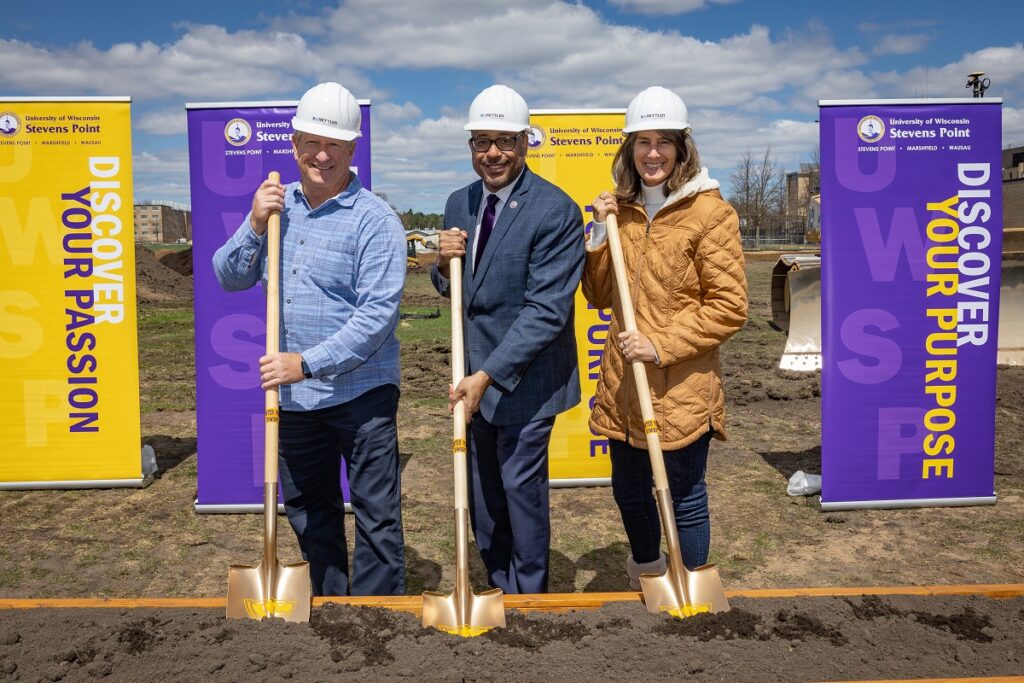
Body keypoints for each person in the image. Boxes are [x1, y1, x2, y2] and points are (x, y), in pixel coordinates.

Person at [213, 82, 406, 597]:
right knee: (310, 513)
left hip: (362, 395)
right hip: (296, 402)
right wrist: (254, 223)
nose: (322, 155)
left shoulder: (376, 221)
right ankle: (332, 604)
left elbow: (377, 317)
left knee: (377, 515)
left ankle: (379, 618)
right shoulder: (277, 210)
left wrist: (307, 363)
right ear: (295, 144)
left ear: (352, 150)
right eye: (312, 143)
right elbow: (227, 277)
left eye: (334, 146)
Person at [582, 86, 748, 589]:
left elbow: (730, 307)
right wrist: (597, 236)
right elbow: (600, 295)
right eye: (642, 142)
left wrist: (660, 345)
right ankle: (649, 573)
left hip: (680, 385)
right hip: (625, 384)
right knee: (629, 492)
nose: (652, 153)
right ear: (629, 149)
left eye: (664, 141)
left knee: (683, 493)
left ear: (682, 147)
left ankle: (690, 579)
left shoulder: (710, 213)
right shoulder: (624, 211)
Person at [431, 84, 585, 594]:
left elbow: (546, 311)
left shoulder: (555, 210)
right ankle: (496, 586)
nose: (492, 153)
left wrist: (488, 374)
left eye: (503, 141)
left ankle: (530, 596)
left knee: (520, 491)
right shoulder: (460, 202)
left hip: (526, 377)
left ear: (525, 143)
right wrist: (442, 264)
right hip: (470, 373)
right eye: (481, 142)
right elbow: (460, 291)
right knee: (483, 491)